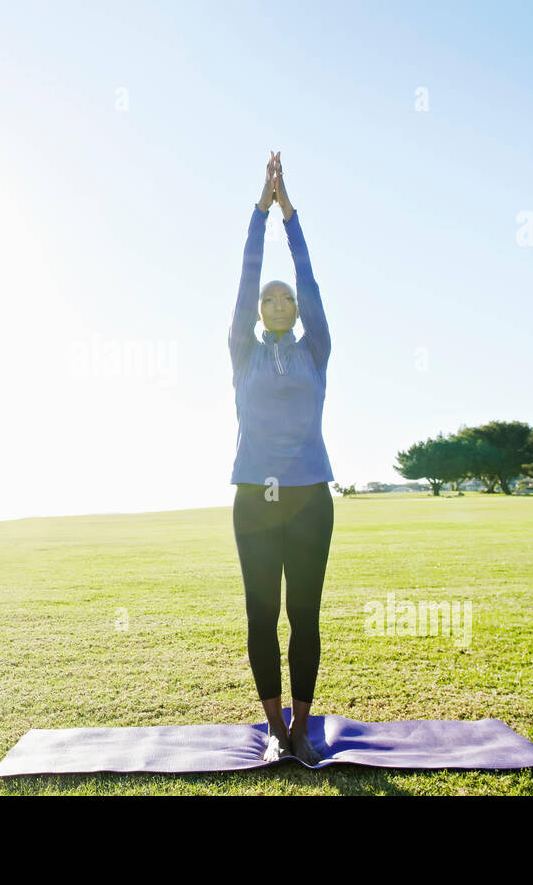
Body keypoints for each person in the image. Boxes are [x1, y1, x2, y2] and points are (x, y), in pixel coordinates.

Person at [228, 151, 335, 765]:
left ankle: (300, 726)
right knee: (262, 612)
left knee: (304, 613)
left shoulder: (313, 350)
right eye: (268, 299)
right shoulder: (242, 352)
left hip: (310, 498)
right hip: (254, 499)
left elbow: (310, 277)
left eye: (283, 299)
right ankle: (273, 728)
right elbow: (245, 283)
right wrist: (258, 215)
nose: (274, 301)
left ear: (296, 312)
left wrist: (290, 214)